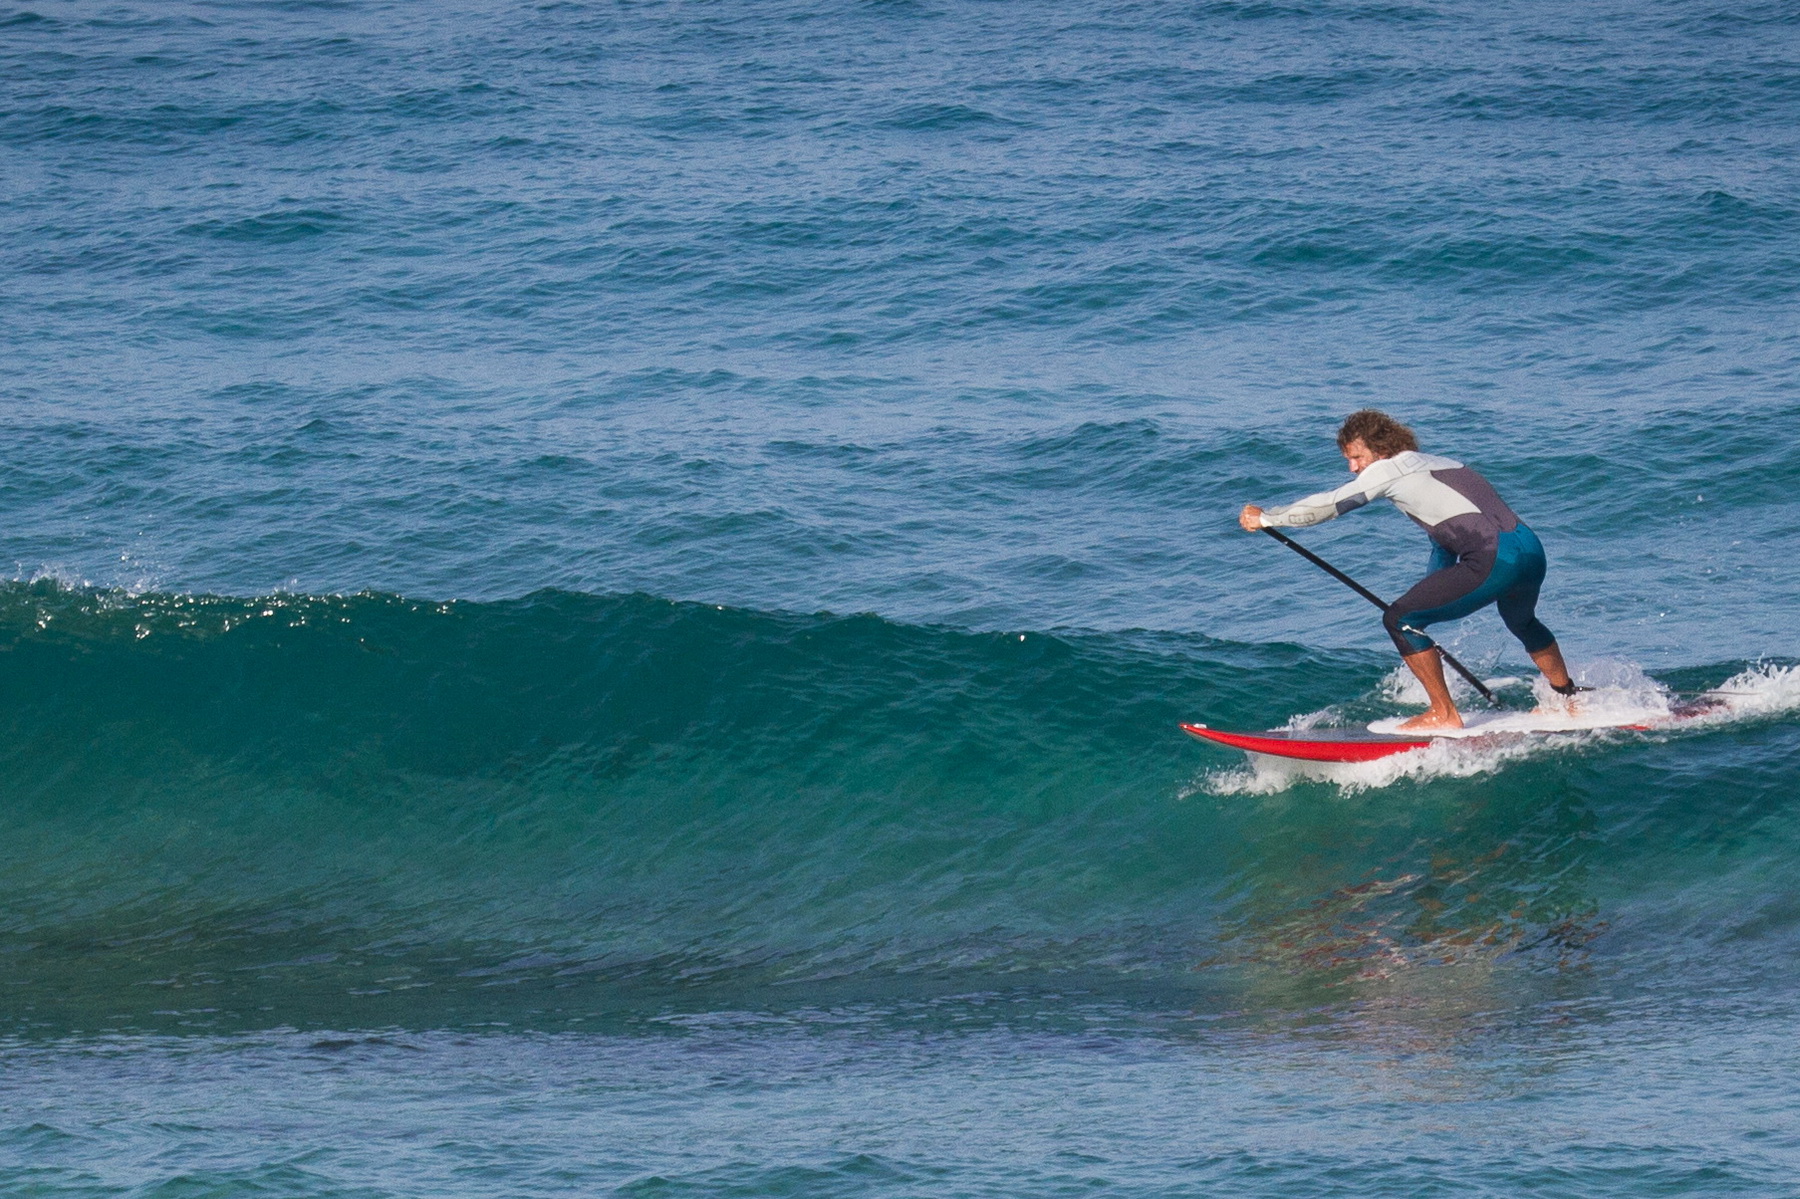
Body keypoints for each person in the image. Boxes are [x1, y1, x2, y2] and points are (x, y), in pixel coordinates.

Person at [1237, 410, 1576, 731]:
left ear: (1382, 450)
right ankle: (1566, 698)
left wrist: (1268, 517)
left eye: (1358, 457)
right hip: (1530, 550)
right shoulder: (1442, 463)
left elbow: (1332, 504)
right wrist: (1431, 595)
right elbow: (1445, 544)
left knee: (1400, 620)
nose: (1354, 468)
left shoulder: (1388, 470)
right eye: (1349, 461)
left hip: (1495, 558)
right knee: (1522, 621)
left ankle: (1444, 714)